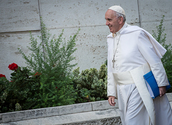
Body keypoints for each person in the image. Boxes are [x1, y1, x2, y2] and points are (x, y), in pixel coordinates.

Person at [105, 5, 172, 125]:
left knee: (133, 122)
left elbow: (154, 60)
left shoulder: (137, 34)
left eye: (109, 20)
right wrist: (111, 92)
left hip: (138, 86)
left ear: (120, 20)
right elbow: (111, 67)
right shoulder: (110, 38)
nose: (106, 23)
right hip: (121, 89)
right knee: (127, 121)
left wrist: (161, 83)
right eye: (106, 20)